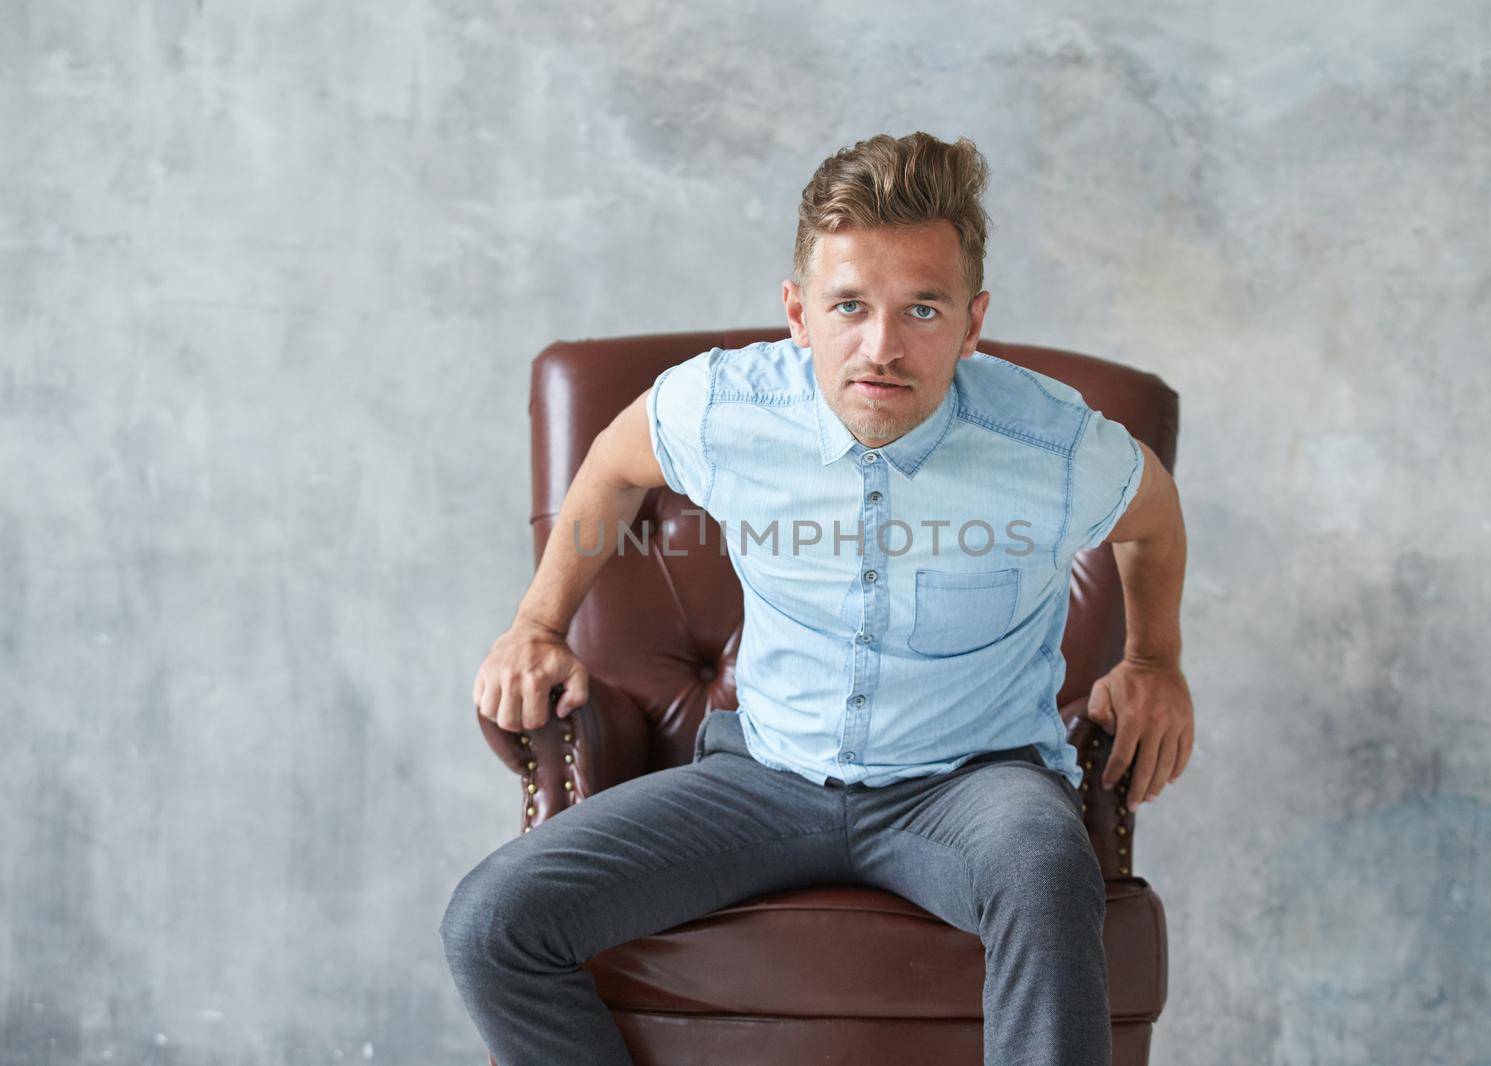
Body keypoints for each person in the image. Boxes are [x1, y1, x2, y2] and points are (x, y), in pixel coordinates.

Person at [440, 131, 1193, 1066]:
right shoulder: (725, 408)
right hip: (762, 778)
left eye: (922, 309)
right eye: (849, 306)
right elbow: (611, 465)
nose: (882, 348)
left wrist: (1153, 660)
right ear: (799, 313)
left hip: (970, 788)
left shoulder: (1052, 444)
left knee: (1045, 871)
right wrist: (536, 626)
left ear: (972, 321)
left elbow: (1152, 515)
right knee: (494, 922)